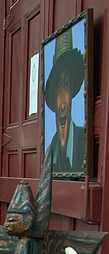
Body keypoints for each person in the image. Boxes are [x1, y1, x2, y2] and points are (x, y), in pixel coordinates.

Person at [45, 27, 85, 173]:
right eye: (58, 89)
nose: (62, 105)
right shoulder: (49, 154)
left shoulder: (83, 141)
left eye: (66, 86)